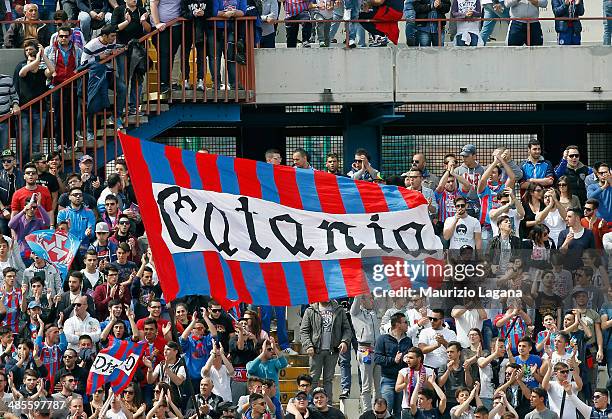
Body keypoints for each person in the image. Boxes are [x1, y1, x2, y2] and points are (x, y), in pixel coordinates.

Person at [300, 299, 352, 402]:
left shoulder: (339, 309)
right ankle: (311, 406)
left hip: (332, 351)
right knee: (313, 380)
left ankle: (328, 406)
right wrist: (308, 345)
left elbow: (347, 329)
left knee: (328, 380)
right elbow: (304, 331)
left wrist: (344, 341)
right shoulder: (310, 310)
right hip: (316, 351)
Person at [14, 41, 54, 165]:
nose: (30, 63)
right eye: (26, 51)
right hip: (24, 111)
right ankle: (23, 166)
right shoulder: (22, 68)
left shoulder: (42, 72)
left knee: (36, 142)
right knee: (24, 141)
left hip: (40, 110)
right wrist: (36, 60)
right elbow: (22, 72)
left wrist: (43, 55)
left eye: (31, 50)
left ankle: (34, 165)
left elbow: (52, 70)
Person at [374, 312, 412, 418]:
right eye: (405, 322)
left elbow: (411, 356)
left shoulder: (408, 340)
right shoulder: (383, 339)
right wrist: (393, 360)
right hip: (388, 379)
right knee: (386, 410)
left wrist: (407, 359)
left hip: (403, 381)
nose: (407, 324)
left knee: (399, 411)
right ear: (397, 324)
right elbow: (377, 358)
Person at [351, 294, 382, 412]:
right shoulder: (356, 313)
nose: (372, 300)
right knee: (366, 385)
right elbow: (356, 300)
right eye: (370, 298)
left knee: (378, 385)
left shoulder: (374, 313)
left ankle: (379, 409)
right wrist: (359, 291)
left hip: (377, 351)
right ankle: (367, 411)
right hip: (365, 350)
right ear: (362, 300)